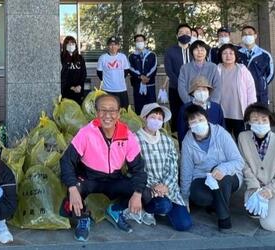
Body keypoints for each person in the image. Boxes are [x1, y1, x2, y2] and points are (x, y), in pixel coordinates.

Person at [59, 95, 147, 241]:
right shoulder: (86, 133)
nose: (107, 115)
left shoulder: (127, 135)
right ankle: (83, 218)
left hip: (114, 179)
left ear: (119, 113)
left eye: (112, 111)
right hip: (89, 178)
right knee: (69, 202)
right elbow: (66, 161)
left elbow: (138, 169)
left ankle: (115, 210)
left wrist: (137, 194)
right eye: (103, 110)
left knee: (145, 193)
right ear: (96, 112)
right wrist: (72, 188)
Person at [180, 105, 244, 231]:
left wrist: (222, 168)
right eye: (193, 121)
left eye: (201, 119)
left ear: (207, 119)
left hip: (228, 176)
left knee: (222, 180)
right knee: (198, 196)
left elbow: (239, 161)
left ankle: (224, 218)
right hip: (202, 176)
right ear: (188, 125)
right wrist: (184, 198)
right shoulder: (187, 141)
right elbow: (186, 170)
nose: (198, 123)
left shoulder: (221, 134)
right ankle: (217, 202)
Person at [135, 103, 192, 231]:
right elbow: (136, 169)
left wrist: (165, 186)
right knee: (164, 205)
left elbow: (172, 167)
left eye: (160, 119)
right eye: (153, 117)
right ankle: (147, 209)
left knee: (184, 224)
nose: (156, 121)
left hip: (168, 188)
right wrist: (154, 186)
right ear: (144, 118)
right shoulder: (135, 139)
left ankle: (164, 204)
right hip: (148, 188)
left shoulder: (167, 140)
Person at [238, 103, 275, 231]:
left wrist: (270, 190)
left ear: (269, 121)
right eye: (255, 120)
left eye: (264, 120)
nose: (260, 123)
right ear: (248, 122)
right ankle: (273, 205)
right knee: (254, 210)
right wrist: (255, 186)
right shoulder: (243, 137)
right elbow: (244, 165)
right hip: (257, 187)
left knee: (269, 225)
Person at [217, 44, 257, 139]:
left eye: (231, 53)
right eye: (225, 53)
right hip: (223, 113)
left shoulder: (242, 70)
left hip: (239, 113)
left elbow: (251, 90)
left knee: (242, 140)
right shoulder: (216, 69)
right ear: (220, 56)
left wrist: (250, 110)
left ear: (235, 55)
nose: (228, 56)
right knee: (224, 140)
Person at [177, 76, 225, 142]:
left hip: (215, 145)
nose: (202, 92)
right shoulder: (185, 109)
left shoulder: (216, 107)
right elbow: (181, 132)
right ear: (193, 93)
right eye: (198, 90)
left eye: (204, 89)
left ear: (208, 92)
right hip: (193, 146)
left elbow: (222, 129)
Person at [164, 24, 193, 130]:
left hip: (192, 90)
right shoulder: (170, 51)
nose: (184, 35)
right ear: (177, 36)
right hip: (175, 88)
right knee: (176, 114)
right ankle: (176, 138)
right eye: (181, 33)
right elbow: (169, 71)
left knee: (191, 114)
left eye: (187, 33)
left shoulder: (195, 50)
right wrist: (181, 85)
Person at [238, 25, 275, 105]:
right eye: (244, 34)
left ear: (255, 36)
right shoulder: (237, 54)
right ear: (241, 37)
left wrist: (261, 83)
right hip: (242, 93)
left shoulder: (264, 55)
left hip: (260, 94)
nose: (247, 36)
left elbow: (270, 74)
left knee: (261, 115)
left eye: (250, 34)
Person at [177, 40, 220, 104]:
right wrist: (190, 102)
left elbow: (217, 86)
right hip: (191, 105)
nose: (199, 52)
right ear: (192, 52)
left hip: (209, 104)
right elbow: (181, 88)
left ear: (206, 52)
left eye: (202, 50)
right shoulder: (184, 68)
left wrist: (212, 103)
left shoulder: (213, 67)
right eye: (196, 50)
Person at [96, 36, 132, 108]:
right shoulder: (103, 57)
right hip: (107, 90)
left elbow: (126, 71)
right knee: (108, 110)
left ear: (118, 46)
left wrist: (118, 79)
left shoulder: (123, 57)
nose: (113, 47)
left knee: (124, 111)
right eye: (111, 44)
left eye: (115, 44)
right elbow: (99, 73)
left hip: (121, 89)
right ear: (107, 46)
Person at [129, 34, 158, 114]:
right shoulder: (131, 56)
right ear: (135, 43)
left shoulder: (151, 54)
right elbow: (130, 68)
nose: (139, 42)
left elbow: (154, 67)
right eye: (137, 41)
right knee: (139, 108)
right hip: (137, 86)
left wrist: (147, 77)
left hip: (150, 85)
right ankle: (140, 125)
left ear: (145, 42)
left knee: (152, 107)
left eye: (141, 41)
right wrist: (140, 76)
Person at [60, 35, 87, 104]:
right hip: (66, 92)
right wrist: (71, 87)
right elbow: (62, 75)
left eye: (73, 43)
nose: (71, 45)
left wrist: (80, 86)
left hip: (79, 90)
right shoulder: (62, 58)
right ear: (65, 45)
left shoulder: (80, 58)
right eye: (69, 44)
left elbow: (83, 73)